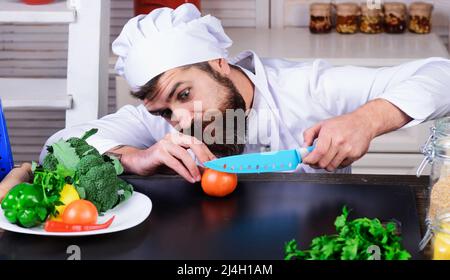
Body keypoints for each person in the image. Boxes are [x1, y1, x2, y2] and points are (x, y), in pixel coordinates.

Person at [41, 3, 450, 183]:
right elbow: (55, 149)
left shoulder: (308, 87)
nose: (180, 119)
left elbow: (441, 74)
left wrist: (368, 118)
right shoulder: (158, 120)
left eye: (184, 94)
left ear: (218, 62)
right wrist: (135, 158)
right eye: (164, 111)